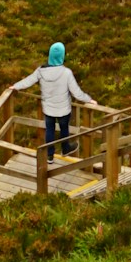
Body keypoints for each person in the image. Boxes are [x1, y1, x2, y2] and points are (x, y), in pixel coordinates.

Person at [15, 41, 101, 170]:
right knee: (64, 129)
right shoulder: (66, 72)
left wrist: (15, 86)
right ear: (62, 56)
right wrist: (88, 100)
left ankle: (49, 156)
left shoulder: (41, 71)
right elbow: (76, 92)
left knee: (49, 130)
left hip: (48, 109)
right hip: (63, 109)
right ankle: (65, 148)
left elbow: (28, 81)